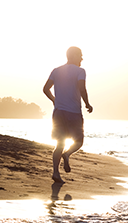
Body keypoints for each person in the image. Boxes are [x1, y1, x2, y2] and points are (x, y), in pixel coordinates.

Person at [43, 46, 93, 183]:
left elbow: (45, 89)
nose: (82, 58)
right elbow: (82, 89)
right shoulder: (80, 71)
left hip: (58, 112)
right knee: (78, 141)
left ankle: (56, 173)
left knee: (59, 143)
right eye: (80, 55)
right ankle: (67, 154)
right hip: (74, 113)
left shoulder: (56, 71)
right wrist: (88, 104)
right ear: (73, 56)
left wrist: (55, 101)